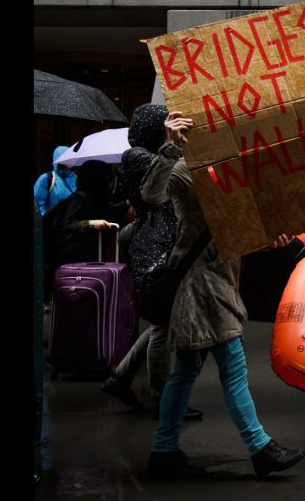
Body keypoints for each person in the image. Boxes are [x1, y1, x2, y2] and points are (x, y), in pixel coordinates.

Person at [141, 111, 304, 479]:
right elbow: (151, 194)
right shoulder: (184, 168)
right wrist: (169, 148)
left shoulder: (232, 169)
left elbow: (235, 233)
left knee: (184, 372)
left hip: (219, 278)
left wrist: (267, 243)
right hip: (201, 284)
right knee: (232, 366)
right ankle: (261, 448)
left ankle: (163, 451)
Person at [101, 104, 202, 420]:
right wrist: (175, 146)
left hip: (163, 240)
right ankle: (163, 399)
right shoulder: (136, 156)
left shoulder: (150, 153)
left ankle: (120, 377)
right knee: (163, 325)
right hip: (152, 244)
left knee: (163, 318)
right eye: (165, 125)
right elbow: (168, 178)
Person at [34, 146, 77, 216]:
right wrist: (48, 221)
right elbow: (38, 207)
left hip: (71, 224)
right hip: (52, 225)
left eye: (71, 156)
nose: (70, 159)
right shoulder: (46, 178)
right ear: (58, 158)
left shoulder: (76, 178)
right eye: (66, 156)